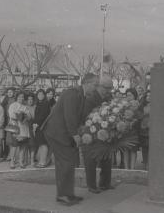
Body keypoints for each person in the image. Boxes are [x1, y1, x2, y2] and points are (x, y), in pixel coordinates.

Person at [43, 73, 99, 206]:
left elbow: (78, 117)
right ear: (87, 83)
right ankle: (63, 195)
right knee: (66, 162)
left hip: (63, 133)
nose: (96, 88)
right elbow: (70, 117)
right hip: (57, 133)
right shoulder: (72, 94)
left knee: (68, 162)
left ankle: (68, 194)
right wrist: (76, 136)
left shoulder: (81, 95)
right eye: (95, 85)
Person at [81, 75, 114, 194]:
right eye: (107, 88)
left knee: (107, 158)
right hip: (90, 133)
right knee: (91, 160)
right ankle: (91, 185)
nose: (109, 91)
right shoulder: (90, 98)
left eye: (111, 88)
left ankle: (105, 183)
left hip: (105, 133)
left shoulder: (109, 97)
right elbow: (85, 116)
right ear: (100, 86)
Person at [7, 92, 30, 169]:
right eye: (20, 97)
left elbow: (29, 117)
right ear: (16, 97)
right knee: (14, 145)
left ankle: (21, 161)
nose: (21, 98)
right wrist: (19, 114)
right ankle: (12, 161)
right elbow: (11, 115)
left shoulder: (25, 106)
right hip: (15, 127)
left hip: (24, 128)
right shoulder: (12, 105)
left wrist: (26, 116)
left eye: (23, 97)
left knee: (23, 146)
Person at [33, 89, 51, 168]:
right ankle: (41, 161)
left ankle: (43, 162)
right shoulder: (39, 103)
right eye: (39, 94)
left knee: (43, 144)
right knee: (41, 143)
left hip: (42, 126)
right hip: (38, 126)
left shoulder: (45, 104)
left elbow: (43, 116)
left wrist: (36, 124)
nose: (40, 96)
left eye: (42, 94)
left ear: (44, 95)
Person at [123, 88, 140, 170]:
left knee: (133, 150)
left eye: (130, 95)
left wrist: (134, 121)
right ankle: (126, 168)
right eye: (127, 95)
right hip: (125, 130)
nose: (128, 97)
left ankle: (132, 168)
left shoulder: (138, 105)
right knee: (125, 149)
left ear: (134, 95)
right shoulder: (124, 105)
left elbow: (139, 116)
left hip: (134, 130)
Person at [139, 91, 150, 170]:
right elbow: (139, 116)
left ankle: (150, 163)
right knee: (144, 148)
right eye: (147, 96)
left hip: (152, 130)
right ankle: (146, 164)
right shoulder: (142, 106)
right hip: (144, 130)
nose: (149, 97)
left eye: (151, 95)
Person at [25, 93, 36, 166]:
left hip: (33, 127)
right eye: (28, 99)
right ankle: (26, 160)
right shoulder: (24, 107)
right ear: (26, 100)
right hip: (25, 127)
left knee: (32, 144)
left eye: (31, 99)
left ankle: (32, 160)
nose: (30, 101)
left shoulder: (35, 107)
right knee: (25, 145)